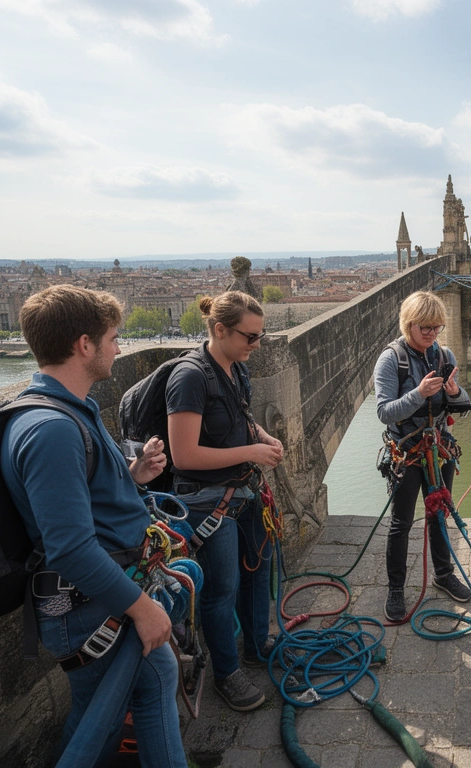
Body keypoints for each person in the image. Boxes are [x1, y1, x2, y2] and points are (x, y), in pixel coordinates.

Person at [0, 285, 186, 768]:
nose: (119, 348)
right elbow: (70, 548)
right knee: (153, 684)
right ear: (84, 345)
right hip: (89, 605)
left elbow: (79, 502)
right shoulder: (52, 429)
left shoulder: (67, 409)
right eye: (112, 338)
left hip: (94, 599)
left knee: (98, 711)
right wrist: (144, 609)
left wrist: (132, 476)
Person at [165, 291, 284, 711]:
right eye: (250, 337)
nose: (256, 345)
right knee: (222, 588)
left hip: (243, 491)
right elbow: (184, 456)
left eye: (260, 336)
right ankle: (227, 674)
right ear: (219, 330)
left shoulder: (235, 369)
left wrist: (262, 438)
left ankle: (256, 645)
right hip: (206, 501)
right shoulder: (190, 378)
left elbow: (240, 419)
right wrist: (251, 453)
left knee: (258, 570)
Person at [373, 290, 471, 622]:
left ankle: (443, 575)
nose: (431, 334)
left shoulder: (443, 356)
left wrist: (455, 393)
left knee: (439, 514)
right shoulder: (391, 359)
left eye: (436, 328)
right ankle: (396, 589)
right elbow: (385, 412)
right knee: (401, 522)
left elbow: (464, 406)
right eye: (424, 328)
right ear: (408, 324)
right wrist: (419, 394)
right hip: (408, 452)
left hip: (439, 449)